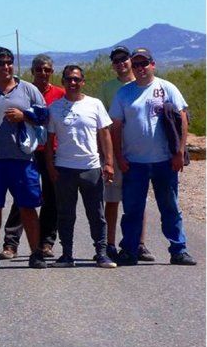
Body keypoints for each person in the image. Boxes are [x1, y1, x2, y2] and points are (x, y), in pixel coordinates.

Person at [109, 48, 196, 266]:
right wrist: (119, 157)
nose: (140, 68)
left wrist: (179, 153)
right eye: (136, 64)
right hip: (134, 162)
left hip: (164, 161)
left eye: (144, 63)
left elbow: (182, 118)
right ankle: (129, 249)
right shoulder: (124, 93)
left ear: (152, 64)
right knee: (132, 209)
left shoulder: (166, 88)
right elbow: (116, 128)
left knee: (170, 207)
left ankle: (178, 249)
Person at [0, 46, 48, 269]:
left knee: (28, 207)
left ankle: (36, 253)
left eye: (9, 62)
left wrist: (24, 116)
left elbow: (44, 116)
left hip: (22, 161)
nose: (5, 67)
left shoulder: (29, 90)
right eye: (0, 63)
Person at [44, 65, 117, 269]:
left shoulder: (95, 104)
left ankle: (101, 253)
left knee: (96, 213)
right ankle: (67, 254)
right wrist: (50, 165)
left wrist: (109, 163)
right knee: (66, 214)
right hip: (64, 168)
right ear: (63, 82)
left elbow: (105, 134)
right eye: (68, 79)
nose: (73, 83)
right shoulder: (55, 108)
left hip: (91, 167)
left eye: (76, 79)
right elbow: (50, 141)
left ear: (83, 81)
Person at [0, 54, 64, 259]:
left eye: (47, 70)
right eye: (39, 69)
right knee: (23, 198)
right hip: (27, 151)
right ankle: (11, 243)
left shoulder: (60, 94)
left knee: (51, 197)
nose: (43, 73)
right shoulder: (24, 91)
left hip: (52, 151)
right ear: (33, 71)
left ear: (51, 72)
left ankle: (46, 242)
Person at [98, 45, 153, 261]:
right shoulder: (107, 88)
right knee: (112, 199)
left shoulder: (145, 83)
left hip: (139, 152)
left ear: (131, 61)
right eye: (116, 60)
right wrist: (106, 155)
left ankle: (139, 243)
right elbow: (102, 124)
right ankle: (110, 243)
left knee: (139, 200)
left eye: (124, 59)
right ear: (113, 65)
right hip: (114, 149)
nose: (121, 63)